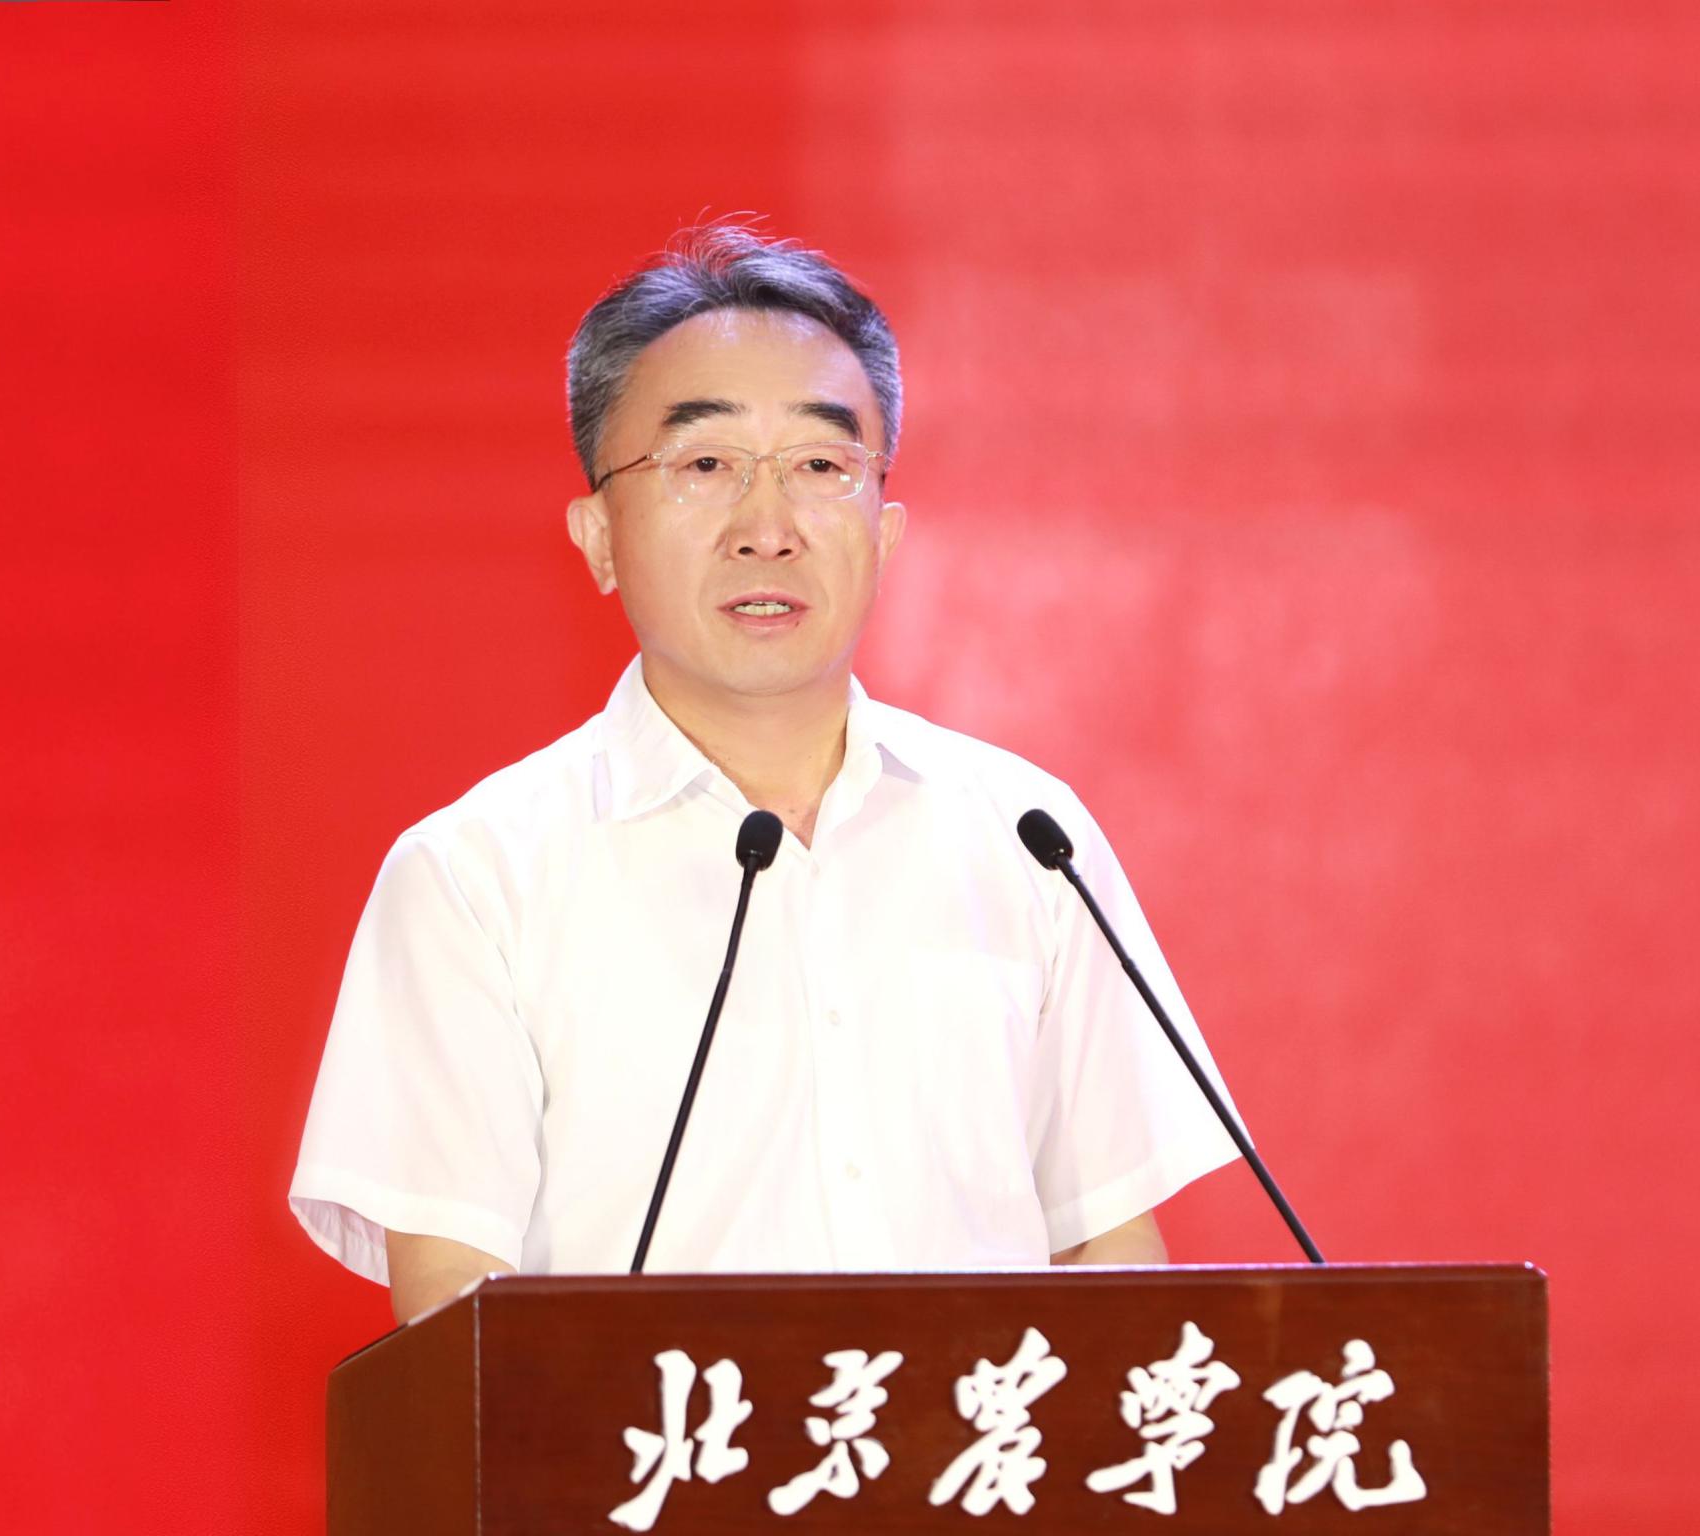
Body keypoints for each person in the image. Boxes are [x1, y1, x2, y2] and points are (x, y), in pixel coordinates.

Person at [289, 224, 1241, 1325]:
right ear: (598, 538)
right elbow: (455, 1311)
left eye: (821, 468)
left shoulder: (1028, 837)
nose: (767, 527)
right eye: (704, 466)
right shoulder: (475, 877)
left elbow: (1109, 1251)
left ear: (884, 532)